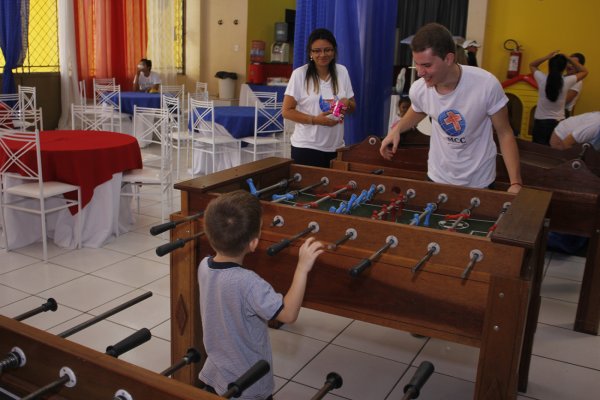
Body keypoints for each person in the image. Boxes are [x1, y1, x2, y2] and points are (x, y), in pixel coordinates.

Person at [197, 190, 324, 399]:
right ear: (254, 243)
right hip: (248, 383)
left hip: (216, 375)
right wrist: (302, 268)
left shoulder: (204, 266)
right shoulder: (249, 283)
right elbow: (288, 314)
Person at [380, 23, 522, 193]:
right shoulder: (419, 89)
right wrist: (397, 130)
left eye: (426, 65)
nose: (419, 72)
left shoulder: (486, 85)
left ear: (448, 59)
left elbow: (505, 133)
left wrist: (515, 183)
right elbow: (418, 110)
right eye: (417, 64)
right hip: (437, 177)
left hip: (479, 181)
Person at [282, 28, 356, 168]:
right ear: (310, 53)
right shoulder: (300, 74)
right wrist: (315, 120)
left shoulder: (342, 71)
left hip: (336, 148)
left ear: (334, 51)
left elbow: (353, 105)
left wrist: (347, 103)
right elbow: (286, 111)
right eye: (317, 51)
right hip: (306, 148)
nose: (322, 54)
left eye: (327, 50)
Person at [529, 51, 587, 145]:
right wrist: (567, 57)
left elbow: (532, 65)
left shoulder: (542, 79)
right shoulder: (567, 81)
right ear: (564, 67)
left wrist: (547, 57)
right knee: (554, 153)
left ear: (550, 65)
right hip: (558, 123)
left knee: (538, 151)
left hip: (540, 122)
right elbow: (584, 71)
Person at [565, 52, 586, 117]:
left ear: (580, 66)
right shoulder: (563, 77)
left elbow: (565, 101)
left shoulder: (577, 82)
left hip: (562, 114)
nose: (570, 65)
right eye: (569, 62)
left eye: (574, 63)